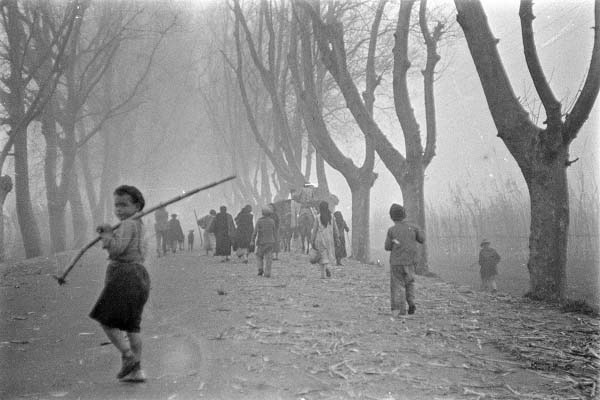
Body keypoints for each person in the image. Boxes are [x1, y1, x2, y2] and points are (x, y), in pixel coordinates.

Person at [90, 185, 150, 383]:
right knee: (132, 327)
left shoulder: (127, 224)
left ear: (137, 205)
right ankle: (137, 371)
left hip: (123, 275)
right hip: (140, 274)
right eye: (116, 205)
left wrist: (107, 235)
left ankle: (128, 355)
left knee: (105, 320)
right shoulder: (140, 224)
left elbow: (117, 250)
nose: (119, 210)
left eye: (124, 205)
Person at [384, 203, 425, 317]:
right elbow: (422, 239)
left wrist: (394, 242)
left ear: (392, 217)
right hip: (411, 261)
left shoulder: (391, 230)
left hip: (396, 262)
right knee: (410, 282)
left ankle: (399, 311)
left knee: (398, 286)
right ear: (405, 215)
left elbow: (387, 247)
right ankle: (411, 302)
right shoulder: (413, 227)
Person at [311, 201, 339, 279]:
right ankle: (327, 268)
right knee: (328, 255)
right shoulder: (332, 217)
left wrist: (312, 240)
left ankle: (323, 274)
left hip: (320, 239)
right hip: (329, 239)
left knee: (322, 257)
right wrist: (337, 238)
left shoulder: (317, 217)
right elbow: (335, 229)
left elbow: (314, 230)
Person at [251, 206, 276, 277]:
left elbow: (255, 232)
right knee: (269, 258)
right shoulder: (272, 221)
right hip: (270, 242)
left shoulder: (259, 221)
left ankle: (260, 269)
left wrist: (252, 240)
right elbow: (274, 232)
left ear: (262, 213)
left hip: (261, 242)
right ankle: (267, 273)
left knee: (259, 256)